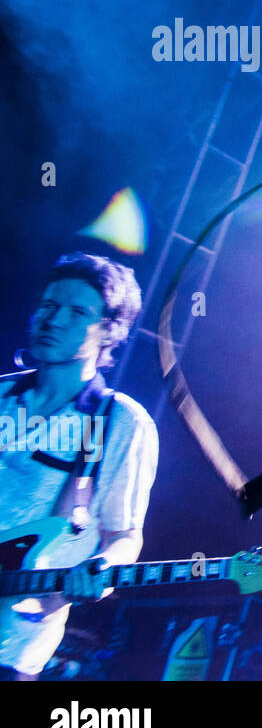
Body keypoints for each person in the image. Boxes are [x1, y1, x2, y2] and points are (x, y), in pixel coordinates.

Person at [0, 252, 158, 680]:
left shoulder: (118, 422)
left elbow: (124, 535)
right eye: (48, 306)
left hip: (9, 645)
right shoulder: (2, 396)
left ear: (109, 330)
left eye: (76, 312)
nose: (53, 320)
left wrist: (102, 567)